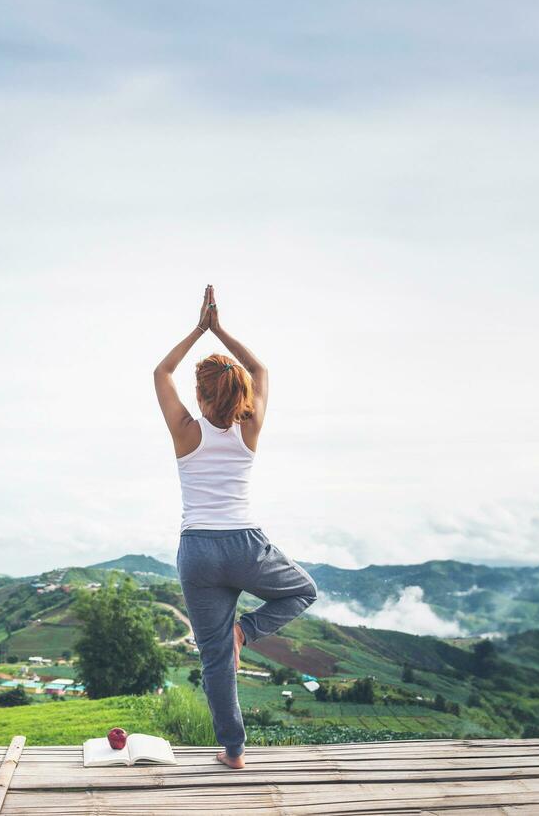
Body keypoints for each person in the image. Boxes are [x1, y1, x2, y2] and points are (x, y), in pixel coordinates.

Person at [152, 284, 317, 769]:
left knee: (215, 660)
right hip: (246, 546)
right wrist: (221, 331)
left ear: (200, 396)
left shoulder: (186, 430)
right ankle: (245, 632)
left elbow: (161, 371)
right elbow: (262, 369)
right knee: (303, 590)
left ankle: (234, 752)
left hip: (198, 552)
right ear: (240, 393)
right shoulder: (250, 429)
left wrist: (199, 329)